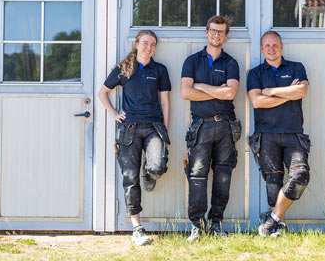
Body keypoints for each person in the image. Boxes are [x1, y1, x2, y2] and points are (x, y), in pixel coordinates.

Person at [98, 30, 171, 246]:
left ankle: (148, 173)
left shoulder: (160, 70)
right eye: (145, 43)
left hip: (153, 127)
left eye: (153, 44)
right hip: (128, 129)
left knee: (158, 167)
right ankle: (137, 228)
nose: (149, 48)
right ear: (137, 44)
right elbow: (103, 93)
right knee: (130, 178)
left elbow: (165, 102)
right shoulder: (123, 69)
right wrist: (114, 113)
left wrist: (164, 131)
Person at [180, 15, 241, 242]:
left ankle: (216, 223)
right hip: (200, 126)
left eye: (221, 32)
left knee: (223, 174)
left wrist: (202, 86)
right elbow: (186, 93)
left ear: (226, 35)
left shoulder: (231, 63)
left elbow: (231, 93)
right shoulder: (192, 61)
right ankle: (197, 225)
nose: (216, 35)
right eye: (213, 31)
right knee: (197, 176)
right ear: (206, 32)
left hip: (226, 125)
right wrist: (218, 90)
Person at [247, 30, 310, 237]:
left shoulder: (296, 67)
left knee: (300, 176)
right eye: (267, 46)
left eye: (275, 45)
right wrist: (287, 94)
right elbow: (257, 101)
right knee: (272, 182)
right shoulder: (255, 73)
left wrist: (271, 91)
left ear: (281, 47)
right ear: (261, 49)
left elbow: (301, 91)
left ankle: (272, 219)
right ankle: (279, 227)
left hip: (294, 134)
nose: (271, 49)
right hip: (266, 135)